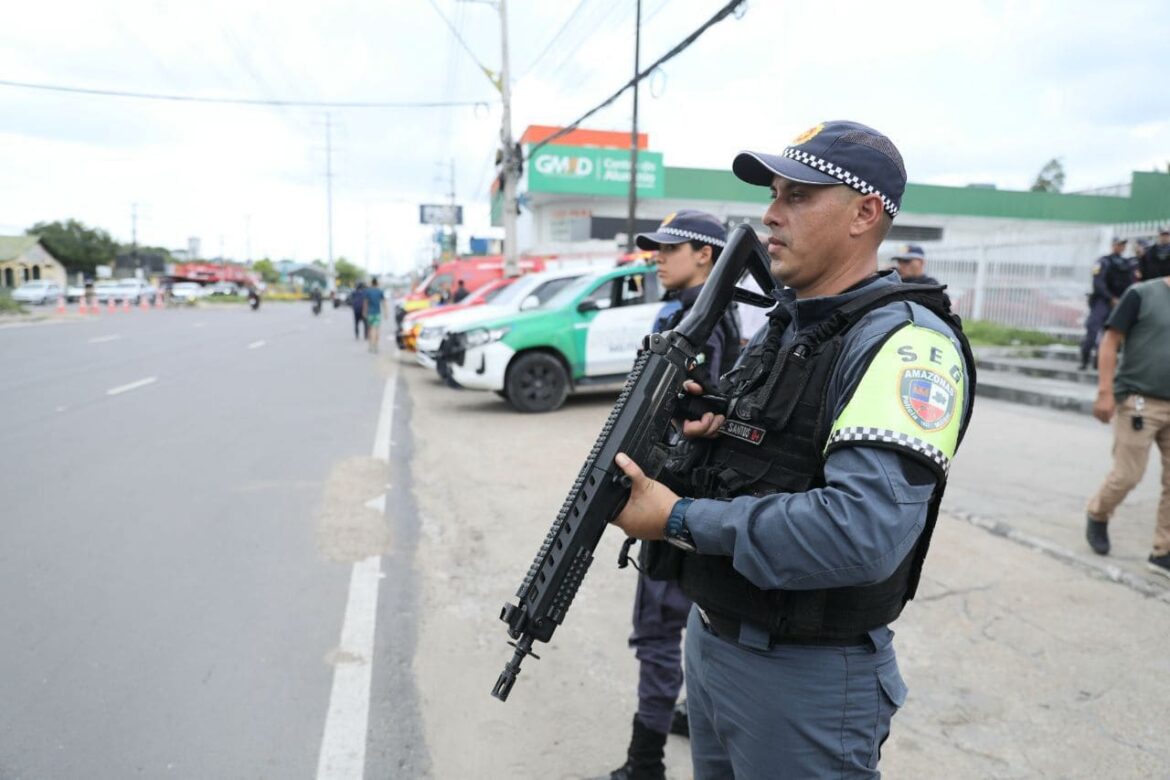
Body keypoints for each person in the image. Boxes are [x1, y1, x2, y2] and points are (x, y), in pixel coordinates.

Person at [610, 120, 976, 779]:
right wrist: (716, 429)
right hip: (716, 638)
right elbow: (781, 450)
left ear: (865, 213)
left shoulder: (906, 344)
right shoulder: (789, 322)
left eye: (797, 197)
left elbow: (861, 530)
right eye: (774, 194)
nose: (771, 215)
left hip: (803, 672)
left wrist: (677, 519)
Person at [595, 210, 742, 780]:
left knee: (659, 630)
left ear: (706, 255)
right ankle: (682, 716)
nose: (657, 257)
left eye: (670, 248)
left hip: (675, 496)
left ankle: (645, 762)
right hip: (681, 493)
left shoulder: (705, 323)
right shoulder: (693, 315)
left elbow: (693, 415)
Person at [1084, 273, 1170, 579]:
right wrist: (1105, 391)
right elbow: (1110, 341)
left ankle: (1163, 551)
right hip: (1139, 400)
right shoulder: (1143, 294)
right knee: (1127, 475)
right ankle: (1098, 512)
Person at [1080, 238, 1136, 370]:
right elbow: (1098, 283)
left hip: (1119, 303)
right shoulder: (1103, 261)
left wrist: (1122, 300)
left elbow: (1131, 283)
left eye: (1123, 245)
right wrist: (1110, 297)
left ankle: (1099, 362)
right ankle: (1085, 359)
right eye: (1119, 244)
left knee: (1111, 335)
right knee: (1093, 331)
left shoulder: (1127, 264)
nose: (1121, 247)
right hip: (1103, 301)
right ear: (1113, 245)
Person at [362, 277, 385, 354]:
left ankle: (370, 346)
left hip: (370, 313)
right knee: (376, 330)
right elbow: (383, 302)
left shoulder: (368, 291)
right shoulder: (380, 291)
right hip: (377, 313)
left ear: (372, 283)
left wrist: (364, 311)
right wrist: (386, 312)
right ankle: (376, 346)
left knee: (370, 330)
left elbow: (365, 302)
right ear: (377, 283)